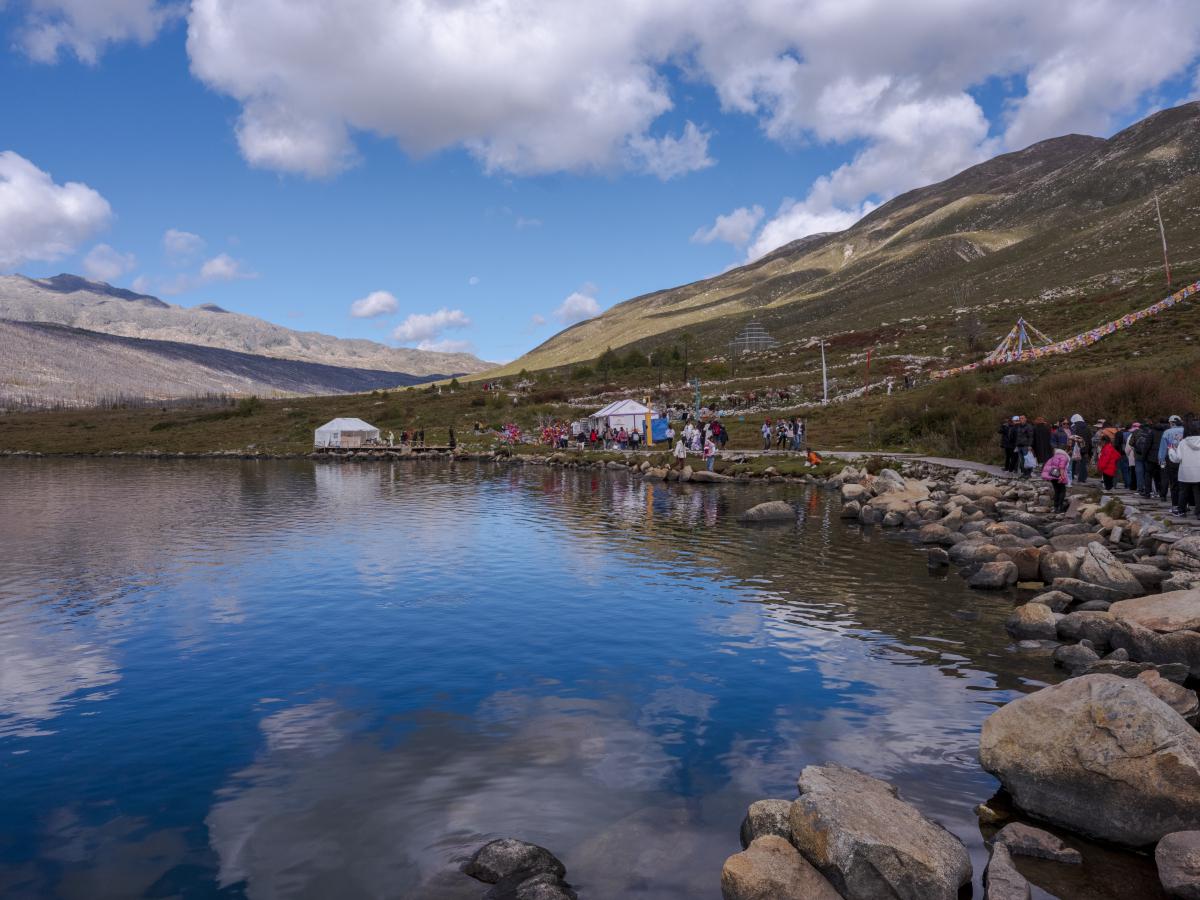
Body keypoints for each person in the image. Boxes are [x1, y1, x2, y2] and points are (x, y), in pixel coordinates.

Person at [1160, 415, 1185, 514]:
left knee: (1174, 483)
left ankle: (1175, 506)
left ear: (1171, 423)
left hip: (1172, 459)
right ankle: (1184, 505)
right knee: (1184, 484)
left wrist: (1161, 459)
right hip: (1185, 459)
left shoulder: (1167, 432)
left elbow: (1163, 448)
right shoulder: (1185, 430)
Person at [1177, 419, 1200, 521]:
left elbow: (1177, 458)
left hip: (1185, 472)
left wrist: (1171, 451)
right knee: (1198, 493)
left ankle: (1181, 511)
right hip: (1199, 471)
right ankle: (1198, 513)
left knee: (1183, 492)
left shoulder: (1182, 443)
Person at [1042, 447, 1071, 513]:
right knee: (1062, 491)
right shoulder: (1063, 457)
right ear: (1064, 451)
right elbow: (1061, 467)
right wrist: (1062, 476)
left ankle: (1055, 507)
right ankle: (1059, 507)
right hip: (1058, 475)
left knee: (1057, 491)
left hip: (1052, 476)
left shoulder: (1054, 457)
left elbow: (1047, 466)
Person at [1069, 414, 1092, 483]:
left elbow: (1072, 437)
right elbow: (1089, 439)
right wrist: (1088, 450)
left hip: (1076, 448)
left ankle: (1071, 475)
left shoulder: (1074, 427)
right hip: (1084, 448)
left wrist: (1070, 447)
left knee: (1073, 462)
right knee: (1083, 463)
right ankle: (1082, 478)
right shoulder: (1087, 428)